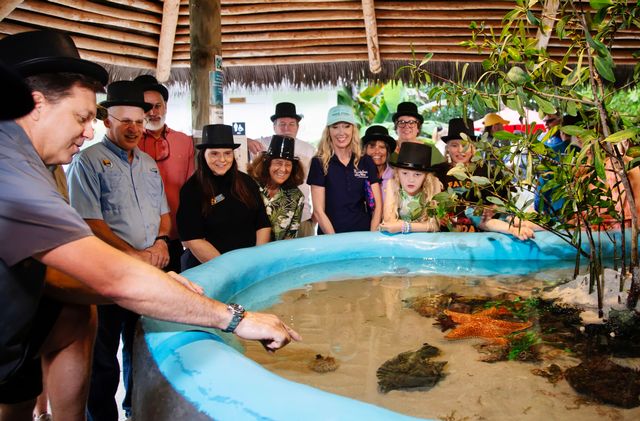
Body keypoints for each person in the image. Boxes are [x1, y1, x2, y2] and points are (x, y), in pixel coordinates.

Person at [0, 30, 299, 421]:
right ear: (36, 105)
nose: (89, 130)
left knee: (74, 317)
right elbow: (114, 278)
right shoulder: (14, 171)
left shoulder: (31, 160)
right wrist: (236, 318)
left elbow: (59, 276)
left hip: (18, 332)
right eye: (82, 117)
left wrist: (162, 278)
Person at [65, 80, 171, 420]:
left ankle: (134, 409)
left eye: (139, 121)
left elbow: (164, 215)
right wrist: (133, 254)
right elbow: (89, 222)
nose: (134, 128)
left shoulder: (149, 164)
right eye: (125, 121)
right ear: (107, 120)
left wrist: (161, 243)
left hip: (148, 270)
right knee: (103, 354)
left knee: (141, 346)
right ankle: (101, 416)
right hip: (108, 271)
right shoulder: (88, 162)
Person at [177, 124, 271, 270]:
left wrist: (255, 260)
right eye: (214, 153)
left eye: (227, 153)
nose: (222, 159)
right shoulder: (191, 190)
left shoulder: (247, 182)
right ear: (203, 155)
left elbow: (262, 224)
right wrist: (227, 269)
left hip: (248, 265)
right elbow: (193, 238)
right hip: (209, 268)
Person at [135, 74, 195, 273]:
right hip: (135, 240)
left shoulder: (184, 141)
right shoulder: (128, 142)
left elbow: (191, 189)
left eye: (157, 105)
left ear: (166, 106)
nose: (152, 112)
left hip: (174, 237)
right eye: (146, 107)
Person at [307, 105, 382, 234]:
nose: (341, 132)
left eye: (346, 126)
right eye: (335, 127)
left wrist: (372, 235)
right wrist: (335, 240)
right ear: (328, 131)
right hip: (330, 236)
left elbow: (377, 205)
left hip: (362, 234)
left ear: (353, 129)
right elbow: (318, 211)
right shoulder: (319, 162)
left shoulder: (365, 161)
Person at [247, 102, 316, 237]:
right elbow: (229, 147)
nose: (287, 128)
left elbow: (316, 182)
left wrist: (317, 213)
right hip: (264, 217)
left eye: (291, 124)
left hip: (302, 215)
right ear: (274, 126)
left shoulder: (309, 149)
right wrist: (247, 140)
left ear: (298, 127)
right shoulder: (262, 144)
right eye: (282, 124)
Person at [247, 135, 305, 240]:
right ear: (267, 164)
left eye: (288, 165)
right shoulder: (249, 186)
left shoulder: (296, 196)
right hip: (247, 251)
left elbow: (291, 235)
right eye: (278, 163)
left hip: (277, 253)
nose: (283, 169)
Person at [379, 143, 442, 234]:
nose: (411, 179)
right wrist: (422, 226)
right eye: (404, 173)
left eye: (417, 174)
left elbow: (435, 225)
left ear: (426, 176)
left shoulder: (433, 184)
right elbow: (389, 222)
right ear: (397, 173)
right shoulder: (393, 184)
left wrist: (403, 226)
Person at [361, 125, 396, 203]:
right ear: (364, 150)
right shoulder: (357, 175)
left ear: (388, 151)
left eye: (382, 147)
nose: (377, 151)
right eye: (372, 147)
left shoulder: (397, 176)